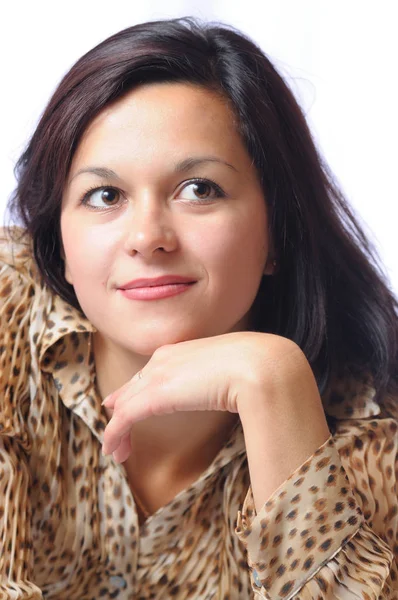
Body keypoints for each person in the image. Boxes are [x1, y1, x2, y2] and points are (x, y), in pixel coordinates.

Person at [1, 16, 397, 600]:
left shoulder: (371, 432)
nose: (148, 237)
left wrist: (274, 385)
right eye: (105, 196)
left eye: (199, 189)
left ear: (278, 235)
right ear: (59, 246)